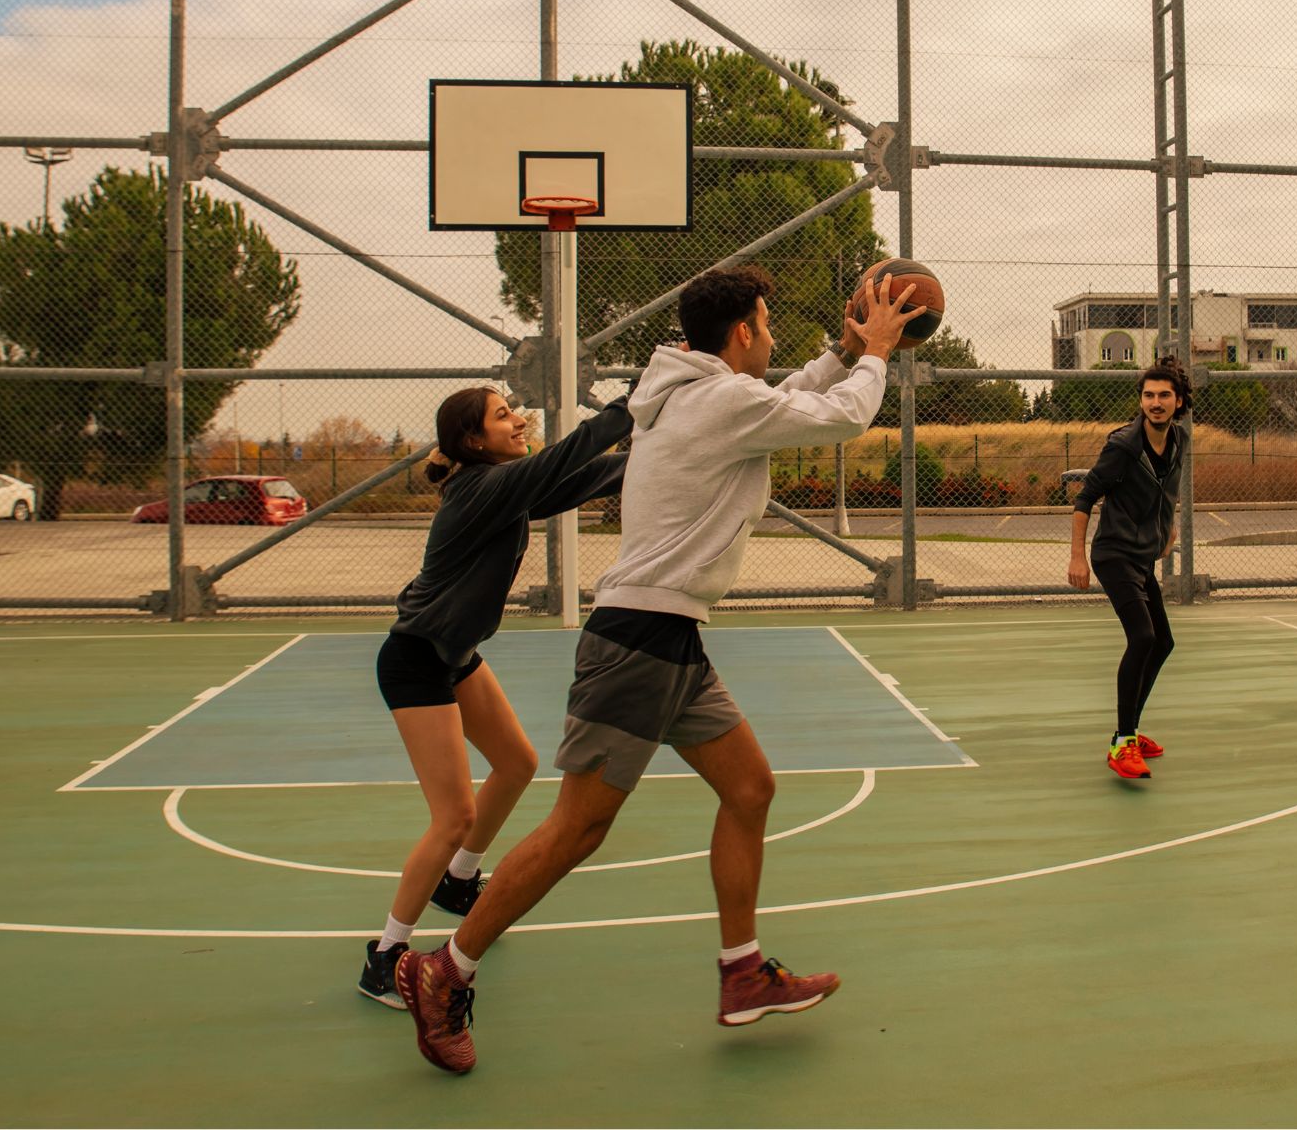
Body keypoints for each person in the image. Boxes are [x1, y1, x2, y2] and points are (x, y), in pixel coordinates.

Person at [396, 263, 924, 1074]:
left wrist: (841, 349)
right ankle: (445, 969)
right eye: (766, 323)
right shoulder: (720, 401)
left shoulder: (702, 392)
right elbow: (837, 418)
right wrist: (877, 354)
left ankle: (743, 971)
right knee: (579, 827)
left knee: (750, 788)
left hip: (671, 637)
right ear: (743, 332)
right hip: (638, 640)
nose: (772, 336)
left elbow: (791, 398)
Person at [357, 387, 632, 1007]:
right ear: (473, 442)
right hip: (417, 661)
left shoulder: (503, 486)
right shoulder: (481, 488)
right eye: (503, 415)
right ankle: (385, 956)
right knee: (453, 816)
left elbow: (587, 478)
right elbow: (566, 460)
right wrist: (630, 406)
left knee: (517, 764)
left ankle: (458, 885)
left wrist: (670, 453)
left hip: (453, 656)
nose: (519, 420)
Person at [1067, 358, 1189, 781]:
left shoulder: (1179, 440)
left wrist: (1168, 527)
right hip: (1113, 554)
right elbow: (1085, 498)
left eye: (1164, 396)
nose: (1155, 403)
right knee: (1143, 636)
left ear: (1178, 401)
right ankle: (1122, 742)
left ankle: (1130, 733)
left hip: (1141, 556)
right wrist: (1077, 557)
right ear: (1140, 401)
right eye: (1148, 395)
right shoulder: (1123, 446)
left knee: (1164, 642)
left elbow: (1169, 489)